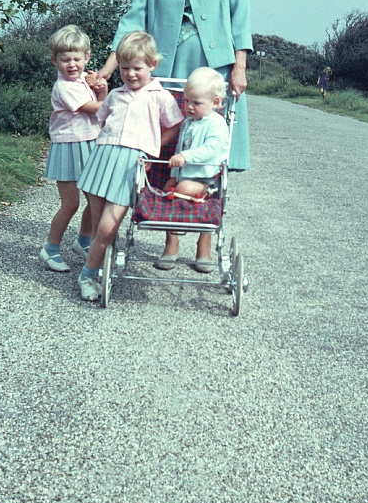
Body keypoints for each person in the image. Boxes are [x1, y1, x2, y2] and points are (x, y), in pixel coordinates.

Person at [89, 0, 252, 264]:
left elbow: (240, 12)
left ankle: (204, 244)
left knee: (209, 150)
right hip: (168, 65)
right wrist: (109, 69)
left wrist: (240, 67)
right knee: (169, 149)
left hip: (214, 66)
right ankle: (170, 242)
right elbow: (133, 22)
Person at [76, 31, 184, 301]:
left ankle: (89, 271)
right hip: (103, 158)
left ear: (152, 66)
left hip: (131, 163)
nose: (131, 74)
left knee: (107, 227)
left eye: (138, 68)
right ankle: (94, 271)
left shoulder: (160, 95)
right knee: (99, 220)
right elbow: (102, 119)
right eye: (125, 68)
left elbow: (175, 124)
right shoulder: (116, 95)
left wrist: (152, 148)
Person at [40, 25, 108, 272]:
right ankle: (50, 249)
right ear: (54, 60)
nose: (72, 65)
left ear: (87, 57)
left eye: (77, 59)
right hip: (68, 146)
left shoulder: (82, 81)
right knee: (70, 203)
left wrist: (101, 88)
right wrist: (119, 100)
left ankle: (83, 240)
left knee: (96, 198)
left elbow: (99, 103)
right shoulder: (64, 87)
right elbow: (96, 108)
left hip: (90, 142)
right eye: (65, 59)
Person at [154, 67, 230, 273]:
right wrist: (172, 175)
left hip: (206, 179)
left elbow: (211, 149)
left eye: (196, 103)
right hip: (183, 177)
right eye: (187, 101)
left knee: (183, 190)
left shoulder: (216, 123)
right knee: (172, 190)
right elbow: (179, 151)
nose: (189, 107)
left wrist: (185, 157)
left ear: (215, 102)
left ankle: (203, 248)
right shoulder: (188, 123)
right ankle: (171, 245)